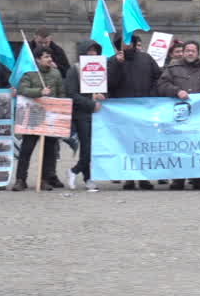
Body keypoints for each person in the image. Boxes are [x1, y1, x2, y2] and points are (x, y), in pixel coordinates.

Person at [158, 40, 200, 190]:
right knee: (179, 146)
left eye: (193, 50)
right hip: (178, 114)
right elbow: (162, 85)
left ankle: (199, 178)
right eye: (187, 50)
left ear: (198, 53)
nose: (190, 53)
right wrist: (176, 91)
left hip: (199, 115)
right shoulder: (173, 68)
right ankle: (178, 179)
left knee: (198, 145)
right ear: (183, 52)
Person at [107, 33, 161, 189]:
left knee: (144, 145)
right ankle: (129, 177)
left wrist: (152, 96)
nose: (128, 44)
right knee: (127, 145)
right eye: (124, 41)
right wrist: (118, 65)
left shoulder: (146, 58)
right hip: (123, 110)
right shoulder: (112, 61)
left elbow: (158, 78)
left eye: (130, 41)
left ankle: (144, 178)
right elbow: (109, 84)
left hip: (144, 107)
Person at [13, 47, 66, 192]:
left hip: (50, 118)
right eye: (46, 57)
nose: (49, 59)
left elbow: (61, 93)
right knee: (26, 150)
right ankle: (20, 179)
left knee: (50, 151)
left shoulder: (56, 74)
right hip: (33, 118)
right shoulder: (29, 74)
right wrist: (39, 92)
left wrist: (60, 110)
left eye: (50, 56)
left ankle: (45, 179)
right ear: (37, 59)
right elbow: (22, 89)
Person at [64, 40, 105, 191]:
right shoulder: (74, 69)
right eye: (90, 51)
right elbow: (71, 94)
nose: (93, 54)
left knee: (92, 148)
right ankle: (76, 171)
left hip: (97, 114)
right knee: (87, 147)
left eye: (95, 51)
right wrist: (91, 104)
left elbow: (102, 87)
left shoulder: (101, 69)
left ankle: (87, 177)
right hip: (81, 113)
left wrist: (101, 95)